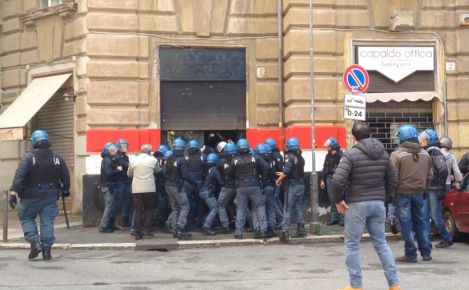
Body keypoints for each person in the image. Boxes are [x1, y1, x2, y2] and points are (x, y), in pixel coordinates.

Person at [332, 122, 400, 290]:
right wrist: (386, 197)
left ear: (354, 138)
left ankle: (356, 286)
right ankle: (394, 284)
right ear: (370, 135)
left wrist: (338, 200)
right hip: (378, 203)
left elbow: (337, 180)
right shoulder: (383, 153)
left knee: (352, 245)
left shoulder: (351, 154)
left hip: (357, 204)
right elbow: (393, 180)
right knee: (381, 244)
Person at [9, 130, 70, 261]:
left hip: (30, 196)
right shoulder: (57, 157)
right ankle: (47, 252)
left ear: (34, 141)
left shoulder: (28, 157)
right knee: (47, 222)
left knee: (26, 218)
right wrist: (66, 190)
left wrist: (13, 192)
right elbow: (65, 175)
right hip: (50, 196)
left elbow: (19, 177)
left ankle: (35, 243)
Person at [390, 124, 433, 263]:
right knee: (420, 221)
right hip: (420, 192)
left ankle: (410, 254)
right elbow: (429, 175)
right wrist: (424, 188)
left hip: (402, 193)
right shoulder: (425, 154)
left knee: (406, 223)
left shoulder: (397, 155)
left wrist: (391, 193)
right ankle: (426, 253)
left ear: (401, 138)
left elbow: (393, 176)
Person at [419, 129, 452, 249]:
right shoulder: (428, 153)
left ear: (429, 140)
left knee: (435, 215)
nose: (420, 140)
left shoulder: (436, 153)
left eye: (423, 139)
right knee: (424, 215)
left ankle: (447, 238)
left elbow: (443, 171)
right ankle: (426, 240)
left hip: (434, 189)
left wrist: (441, 188)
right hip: (428, 189)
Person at [229, 138, 268, 239]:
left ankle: (238, 232)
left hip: (241, 187)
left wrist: (235, 180)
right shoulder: (255, 158)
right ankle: (263, 230)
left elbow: (229, 174)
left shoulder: (234, 160)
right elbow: (266, 167)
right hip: (255, 185)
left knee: (241, 209)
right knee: (259, 207)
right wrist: (263, 181)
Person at [276, 137, 306, 241]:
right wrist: (284, 174)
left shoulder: (290, 157)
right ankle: (301, 229)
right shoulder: (301, 158)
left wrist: (279, 179)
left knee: (287, 208)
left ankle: (284, 232)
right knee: (298, 207)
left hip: (292, 186)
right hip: (301, 184)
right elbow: (294, 170)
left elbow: (288, 170)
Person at [127, 144, 160, 240]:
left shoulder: (133, 160)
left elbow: (129, 174)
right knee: (149, 209)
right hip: (149, 189)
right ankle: (147, 230)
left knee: (138, 210)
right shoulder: (153, 160)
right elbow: (157, 171)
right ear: (149, 152)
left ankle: (138, 233)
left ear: (141, 151)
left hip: (137, 189)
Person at [165, 138, 192, 239]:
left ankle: (175, 230)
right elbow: (185, 175)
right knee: (185, 206)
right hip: (177, 186)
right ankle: (181, 229)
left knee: (175, 208)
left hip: (168, 185)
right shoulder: (181, 159)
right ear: (183, 148)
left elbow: (165, 172)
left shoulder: (169, 158)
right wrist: (193, 182)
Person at [320, 137, 344, 226]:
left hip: (338, 179)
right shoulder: (328, 156)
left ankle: (342, 218)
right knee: (332, 199)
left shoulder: (341, 155)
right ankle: (334, 218)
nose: (327, 148)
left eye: (329, 146)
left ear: (333, 146)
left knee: (339, 198)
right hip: (329, 179)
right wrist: (322, 179)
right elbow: (325, 168)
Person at [98, 143, 122, 233]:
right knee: (109, 206)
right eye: (113, 149)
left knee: (111, 206)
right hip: (108, 186)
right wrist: (117, 169)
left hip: (108, 185)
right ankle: (103, 226)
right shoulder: (108, 160)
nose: (115, 151)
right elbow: (109, 173)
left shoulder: (108, 159)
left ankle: (110, 224)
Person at [199, 153, 223, 235]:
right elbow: (220, 182)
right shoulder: (215, 170)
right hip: (208, 191)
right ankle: (206, 226)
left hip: (203, 190)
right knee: (215, 208)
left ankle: (205, 223)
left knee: (211, 208)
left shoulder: (207, 169)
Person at [257, 143, 277, 237]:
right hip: (271, 186)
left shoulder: (259, 161)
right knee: (271, 209)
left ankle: (263, 229)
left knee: (261, 208)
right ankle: (272, 228)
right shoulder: (272, 160)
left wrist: (262, 183)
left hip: (263, 187)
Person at [217, 142, 237, 233]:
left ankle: (226, 226)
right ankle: (250, 222)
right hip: (237, 186)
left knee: (221, 205)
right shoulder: (238, 159)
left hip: (227, 186)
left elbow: (217, 171)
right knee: (239, 205)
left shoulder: (221, 161)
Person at [185, 139, 206, 227]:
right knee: (200, 203)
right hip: (199, 182)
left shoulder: (185, 156)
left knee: (187, 203)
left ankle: (188, 222)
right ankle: (200, 222)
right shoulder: (202, 156)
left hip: (188, 183)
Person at [153, 144, 170, 228]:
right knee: (162, 204)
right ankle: (156, 220)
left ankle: (155, 221)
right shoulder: (161, 160)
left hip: (155, 185)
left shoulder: (153, 159)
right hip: (161, 185)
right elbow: (163, 173)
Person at [115, 139, 131, 228]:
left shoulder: (125, 156)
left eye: (126, 146)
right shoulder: (118, 157)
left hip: (126, 181)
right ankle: (118, 221)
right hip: (120, 182)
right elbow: (126, 165)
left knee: (127, 202)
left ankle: (125, 221)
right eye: (124, 146)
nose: (126, 148)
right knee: (119, 202)